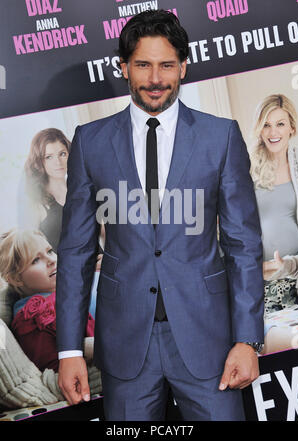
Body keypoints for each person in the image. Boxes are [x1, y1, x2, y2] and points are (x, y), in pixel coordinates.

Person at [56, 10, 264, 421]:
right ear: (124, 68)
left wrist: (247, 339)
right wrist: (69, 349)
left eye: (167, 65)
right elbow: (76, 250)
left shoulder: (219, 137)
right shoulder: (90, 142)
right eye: (143, 65)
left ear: (183, 67)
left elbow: (243, 245)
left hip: (209, 341)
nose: (155, 78)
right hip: (126, 344)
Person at [0, 229, 95, 373]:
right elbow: (53, 362)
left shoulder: (64, 289)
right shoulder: (32, 317)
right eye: (36, 260)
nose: (52, 260)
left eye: (50, 251)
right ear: (16, 279)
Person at [250, 94, 298, 354]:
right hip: (262, 286)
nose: (273, 132)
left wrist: (289, 265)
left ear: (292, 126)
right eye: (267, 125)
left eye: (280, 124)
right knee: (275, 351)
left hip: (297, 279)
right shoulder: (245, 171)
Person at [22, 128, 71, 252]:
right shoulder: (35, 203)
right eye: (49, 157)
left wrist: (107, 259)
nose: (58, 162)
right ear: (39, 162)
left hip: (99, 268)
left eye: (62, 154)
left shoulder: (83, 191)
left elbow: (106, 235)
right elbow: (30, 254)